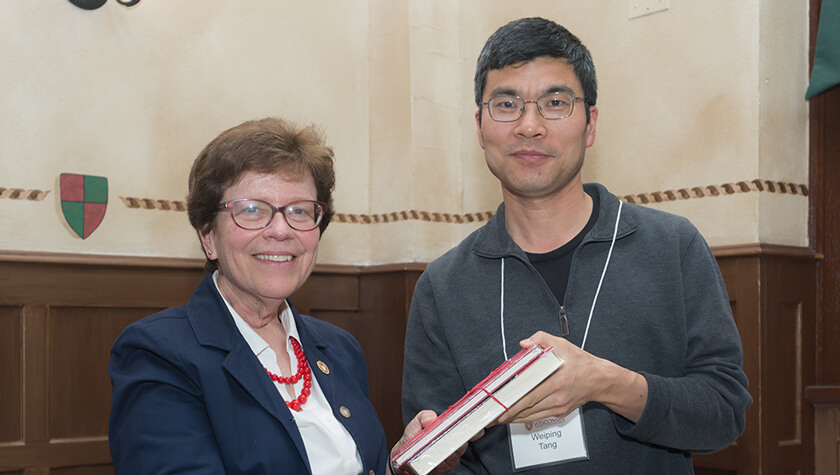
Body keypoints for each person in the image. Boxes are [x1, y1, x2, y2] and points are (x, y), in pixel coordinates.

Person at [402, 17, 752, 474]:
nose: (529, 126)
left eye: (555, 102)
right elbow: (440, 454)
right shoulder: (443, 286)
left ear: (590, 124)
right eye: (506, 103)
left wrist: (605, 383)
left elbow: (724, 414)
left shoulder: (673, 247)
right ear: (480, 126)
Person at [109, 117, 462, 474]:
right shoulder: (158, 353)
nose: (281, 230)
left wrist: (400, 464)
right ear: (208, 236)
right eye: (251, 210)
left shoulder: (339, 349)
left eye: (299, 211)